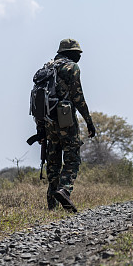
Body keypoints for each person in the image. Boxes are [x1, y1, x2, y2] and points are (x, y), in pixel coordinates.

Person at [35, 38, 96, 212]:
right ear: (70, 53)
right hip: (65, 119)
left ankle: (51, 206)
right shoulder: (71, 68)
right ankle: (65, 190)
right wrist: (89, 122)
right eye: (78, 53)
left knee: (53, 162)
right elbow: (78, 97)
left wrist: (40, 128)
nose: (79, 56)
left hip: (48, 122)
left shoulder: (47, 68)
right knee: (72, 158)